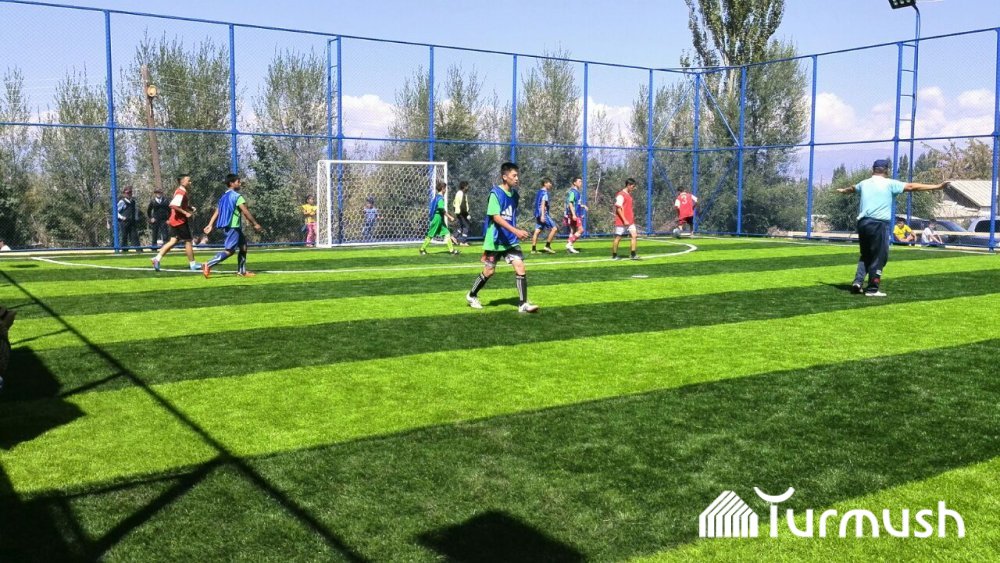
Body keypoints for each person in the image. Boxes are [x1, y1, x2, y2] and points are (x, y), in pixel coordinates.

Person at [836, 159, 948, 297]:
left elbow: (852, 188)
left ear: (873, 169)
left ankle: (858, 282)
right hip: (878, 224)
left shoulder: (864, 183)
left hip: (863, 223)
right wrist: (937, 186)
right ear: (886, 170)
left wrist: (843, 191)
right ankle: (872, 289)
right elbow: (911, 187)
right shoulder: (890, 183)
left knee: (866, 255)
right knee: (879, 256)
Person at [466, 162, 538, 313]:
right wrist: (516, 231)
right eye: (514, 175)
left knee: (520, 266)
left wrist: (514, 232)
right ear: (505, 177)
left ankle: (523, 304)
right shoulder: (495, 193)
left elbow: (510, 216)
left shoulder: (515, 195)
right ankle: (472, 295)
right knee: (489, 271)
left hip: (510, 240)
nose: (517, 178)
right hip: (495, 240)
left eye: (517, 175)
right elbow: (496, 217)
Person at [201, 174, 263, 278]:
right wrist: (255, 224)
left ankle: (242, 271)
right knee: (230, 251)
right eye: (238, 182)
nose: (240, 183)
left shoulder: (223, 197)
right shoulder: (236, 196)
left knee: (243, 247)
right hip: (233, 227)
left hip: (232, 227)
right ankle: (208, 264)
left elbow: (218, 211)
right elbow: (245, 211)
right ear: (231, 183)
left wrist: (210, 224)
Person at [151, 174, 201, 272]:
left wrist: (189, 207)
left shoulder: (181, 191)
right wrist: (186, 213)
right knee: (188, 241)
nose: (190, 182)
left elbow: (179, 204)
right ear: (182, 182)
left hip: (175, 220)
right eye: (188, 181)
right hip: (179, 221)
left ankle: (156, 259)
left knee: (173, 241)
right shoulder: (181, 192)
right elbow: (173, 205)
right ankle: (193, 265)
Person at [419, 181, 458, 255]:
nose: (446, 190)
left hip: (439, 218)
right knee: (431, 234)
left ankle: (452, 250)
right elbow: (441, 209)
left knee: (446, 233)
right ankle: (422, 249)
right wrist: (449, 217)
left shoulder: (437, 197)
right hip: (437, 218)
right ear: (442, 189)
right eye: (445, 188)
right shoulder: (440, 198)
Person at [612, 178, 640, 261]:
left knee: (634, 235)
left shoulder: (629, 195)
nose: (633, 188)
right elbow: (618, 209)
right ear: (628, 185)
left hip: (630, 221)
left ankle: (633, 254)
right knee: (618, 237)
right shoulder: (621, 195)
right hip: (621, 221)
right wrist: (624, 220)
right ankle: (614, 255)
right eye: (633, 186)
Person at [531, 177, 558, 254]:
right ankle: (547, 246)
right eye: (549, 183)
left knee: (537, 230)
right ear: (545, 184)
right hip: (543, 214)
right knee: (554, 228)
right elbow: (542, 204)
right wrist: (543, 215)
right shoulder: (544, 193)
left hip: (538, 213)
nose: (551, 184)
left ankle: (533, 249)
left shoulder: (539, 192)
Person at [564, 176, 588, 254]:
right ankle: (569, 244)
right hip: (574, 214)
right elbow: (570, 203)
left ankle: (570, 247)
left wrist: (583, 206)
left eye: (581, 181)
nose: (581, 183)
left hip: (575, 213)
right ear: (574, 183)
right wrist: (574, 214)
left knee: (573, 230)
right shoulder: (573, 192)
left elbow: (576, 204)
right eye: (579, 181)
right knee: (581, 230)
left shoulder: (577, 192)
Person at [116, 186, 143, 251]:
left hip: (132, 221)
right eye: (127, 193)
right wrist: (121, 217)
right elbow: (115, 211)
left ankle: (139, 250)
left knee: (134, 236)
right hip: (124, 222)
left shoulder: (133, 201)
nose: (129, 194)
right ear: (124, 193)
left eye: (130, 192)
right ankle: (124, 250)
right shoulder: (122, 201)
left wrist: (136, 218)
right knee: (124, 236)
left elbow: (135, 210)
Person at [452, 181, 472, 246]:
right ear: (464, 187)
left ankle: (454, 237)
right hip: (462, 213)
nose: (468, 188)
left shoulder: (458, 193)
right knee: (466, 226)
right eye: (467, 186)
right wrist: (467, 214)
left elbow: (454, 203)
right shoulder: (462, 194)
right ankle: (463, 241)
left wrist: (456, 211)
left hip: (459, 212)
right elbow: (462, 206)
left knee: (461, 226)